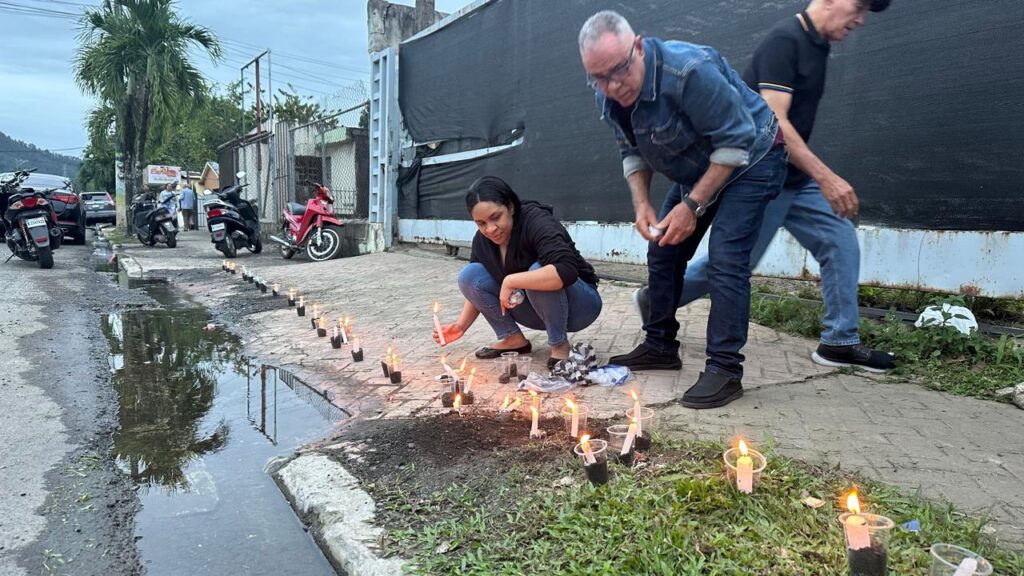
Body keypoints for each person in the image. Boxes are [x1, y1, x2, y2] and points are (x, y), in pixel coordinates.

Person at [631, 0, 895, 373]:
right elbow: (777, 123)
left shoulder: (817, 47)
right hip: (759, 173)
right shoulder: (784, 42)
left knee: (840, 241)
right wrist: (827, 177)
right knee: (732, 264)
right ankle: (656, 304)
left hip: (796, 180)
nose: (860, 19)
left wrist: (815, 177)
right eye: (857, 7)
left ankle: (839, 341)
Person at [580, 11, 787, 409]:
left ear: (638, 47)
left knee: (726, 258)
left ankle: (725, 370)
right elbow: (631, 150)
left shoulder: (689, 71)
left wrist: (692, 205)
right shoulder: (608, 94)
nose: (612, 85)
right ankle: (660, 346)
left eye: (619, 71)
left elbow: (735, 143)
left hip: (754, 157)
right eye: (598, 78)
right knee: (663, 249)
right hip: (698, 165)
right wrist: (641, 203)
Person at [433, 176, 603, 368]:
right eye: (481, 223)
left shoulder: (536, 221)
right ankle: (512, 339)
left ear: (511, 207)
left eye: (496, 217)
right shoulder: (482, 241)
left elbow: (566, 270)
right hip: (535, 310)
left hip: (580, 306)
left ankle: (559, 345)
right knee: (469, 275)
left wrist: (512, 281)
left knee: (537, 272)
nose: (490, 229)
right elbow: (475, 287)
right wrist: (460, 326)